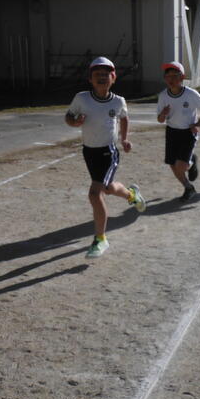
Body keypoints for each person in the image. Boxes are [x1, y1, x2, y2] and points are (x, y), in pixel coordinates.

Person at [65, 56, 146, 258]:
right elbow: (69, 116)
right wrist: (74, 122)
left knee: (95, 193)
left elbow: (124, 118)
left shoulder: (118, 101)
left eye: (105, 74)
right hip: (89, 151)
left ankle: (100, 239)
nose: (101, 77)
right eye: (97, 74)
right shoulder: (81, 98)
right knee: (107, 188)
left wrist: (124, 139)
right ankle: (132, 195)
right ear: (90, 79)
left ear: (113, 78)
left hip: (108, 152)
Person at [156, 61, 200, 202]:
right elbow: (160, 120)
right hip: (172, 132)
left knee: (181, 166)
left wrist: (198, 124)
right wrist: (163, 114)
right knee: (172, 164)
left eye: (174, 76)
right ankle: (188, 187)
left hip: (188, 132)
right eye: (168, 76)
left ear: (182, 77)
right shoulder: (163, 96)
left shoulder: (191, 94)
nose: (171, 79)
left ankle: (191, 161)